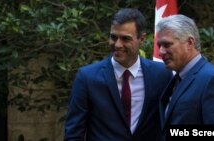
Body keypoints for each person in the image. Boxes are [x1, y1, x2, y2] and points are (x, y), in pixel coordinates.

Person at [64, 8, 173, 141]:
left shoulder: (162, 74)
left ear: (142, 39)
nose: (117, 45)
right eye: (113, 37)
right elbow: (74, 134)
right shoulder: (87, 78)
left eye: (125, 39)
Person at [156, 14, 214, 139]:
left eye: (167, 45)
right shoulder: (176, 78)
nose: (161, 52)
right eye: (159, 46)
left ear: (189, 43)